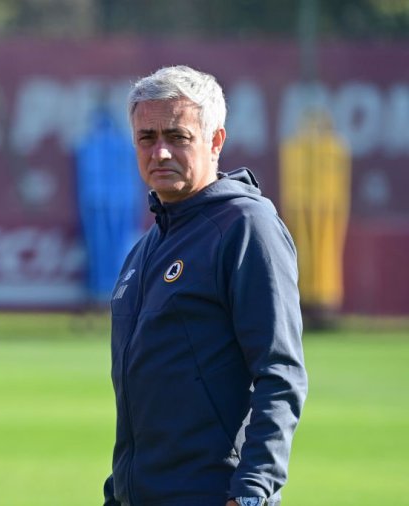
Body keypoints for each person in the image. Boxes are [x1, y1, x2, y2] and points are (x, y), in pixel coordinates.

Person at [103, 65, 307, 506]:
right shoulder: (145, 249)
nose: (159, 153)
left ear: (215, 141)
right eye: (147, 137)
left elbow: (280, 373)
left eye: (177, 137)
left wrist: (253, 491)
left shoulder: (247, 227)